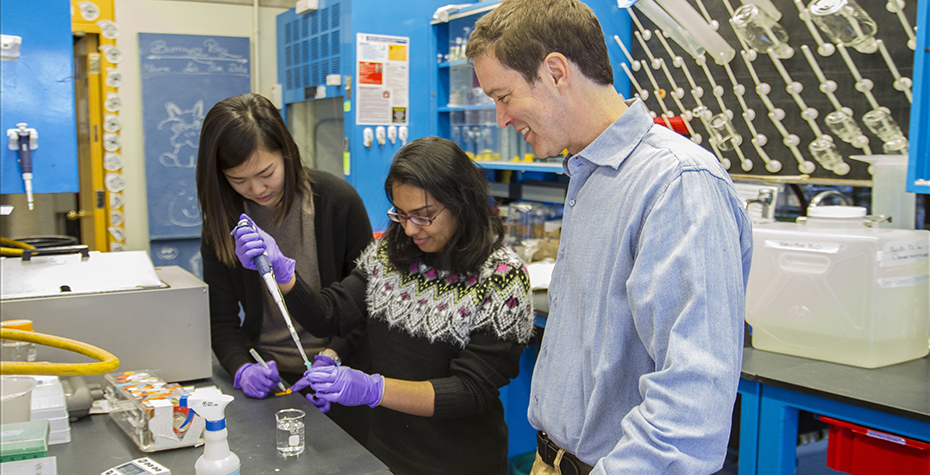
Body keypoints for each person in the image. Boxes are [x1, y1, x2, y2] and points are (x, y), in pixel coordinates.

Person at [466, 1, 754, 474]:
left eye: (503, 96)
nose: (500, 118)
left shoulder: (677, 183)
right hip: (553, 460)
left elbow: (691, 403)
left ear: (556, 71)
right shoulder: (589, 175)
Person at [232, 136, 534, 474]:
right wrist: (283, 272)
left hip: (457, 461)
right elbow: (333, 315)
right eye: (401, 214)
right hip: (384, 453)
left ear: (462, 202)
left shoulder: (502, 278)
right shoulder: (391, 253)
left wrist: (373, 389)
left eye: (424, 216)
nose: (409, 228)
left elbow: (469, 390)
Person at [195, 92, 374, 442]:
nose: (257, 188)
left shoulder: (337, 202)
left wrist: (335, 354)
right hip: (268, 383)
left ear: (286, 151)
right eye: (238, 179)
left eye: (266, 173)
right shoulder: (222, 224)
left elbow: (367, 300)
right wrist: (241, 367)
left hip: (340, 377)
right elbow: (220, 321)